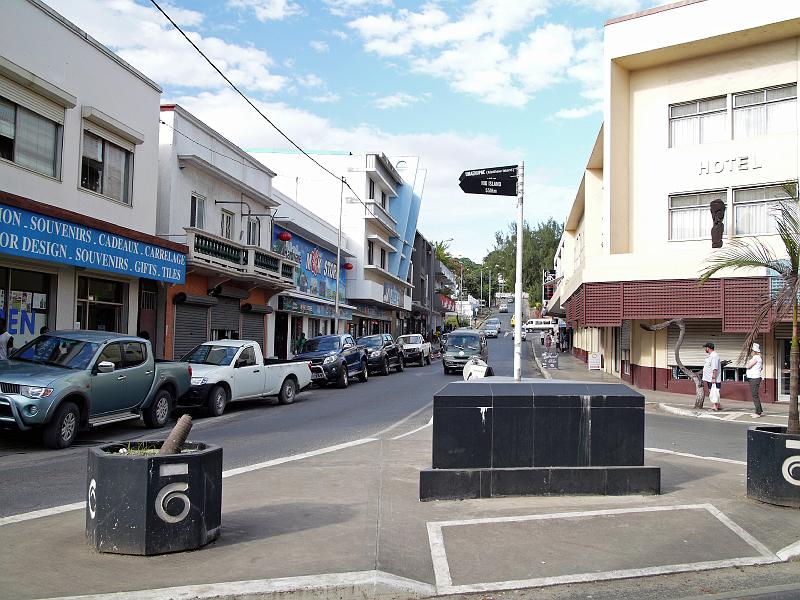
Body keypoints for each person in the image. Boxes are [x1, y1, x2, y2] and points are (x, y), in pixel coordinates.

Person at [702, 341, 722, 411]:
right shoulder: (711, 355)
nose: (705, 349)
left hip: (713, 378)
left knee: (713, 392)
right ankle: (717, 405)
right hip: (710, 378)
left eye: (706, 347)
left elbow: (714, 368)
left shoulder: (714, 356)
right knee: (714, 392)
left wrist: (713, 378)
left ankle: (715, 406)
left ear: (708, 348)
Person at [745, 343, 763, 418]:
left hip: (754, 378)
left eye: (751, 351)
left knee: (755, 395)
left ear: (754, 351)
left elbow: (748, 366)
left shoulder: (756, 358)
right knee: (755, 395)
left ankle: (758, 412)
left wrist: (747, 362)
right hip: (754, 378)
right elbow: (761, 368)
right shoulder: (758, 358)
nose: (751, 352)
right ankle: (758, 410)